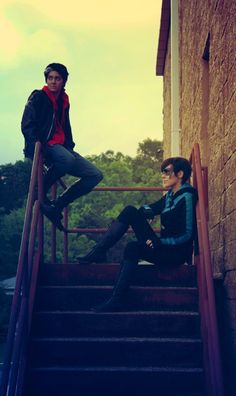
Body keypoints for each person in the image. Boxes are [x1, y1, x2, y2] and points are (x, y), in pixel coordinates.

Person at [78, 156, 198, 312]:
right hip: (160, 246)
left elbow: (188, 234)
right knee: (132, 244)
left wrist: (160, 242)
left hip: (175, 253)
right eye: (162, 171)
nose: (162, 175)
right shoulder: (169, 196)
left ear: (180, 174)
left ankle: (99, 253)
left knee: (131, 224)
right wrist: (147, 213)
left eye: (166, 171)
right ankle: (116, 299)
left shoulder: (188, 195)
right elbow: (148, 208)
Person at [21, 63, 103, 230]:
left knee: (94, 175)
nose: (53, 82)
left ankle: (57, 205)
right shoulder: (38, 97)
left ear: (64, 81)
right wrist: (37, 146)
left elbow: (65, 126)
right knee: (66, 160)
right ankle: (39, 191)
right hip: (45, 145)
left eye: (57, 78)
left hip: (62, 146)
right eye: (50, 78)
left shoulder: (64, 100)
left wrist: (69, 145)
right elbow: (26, 124)